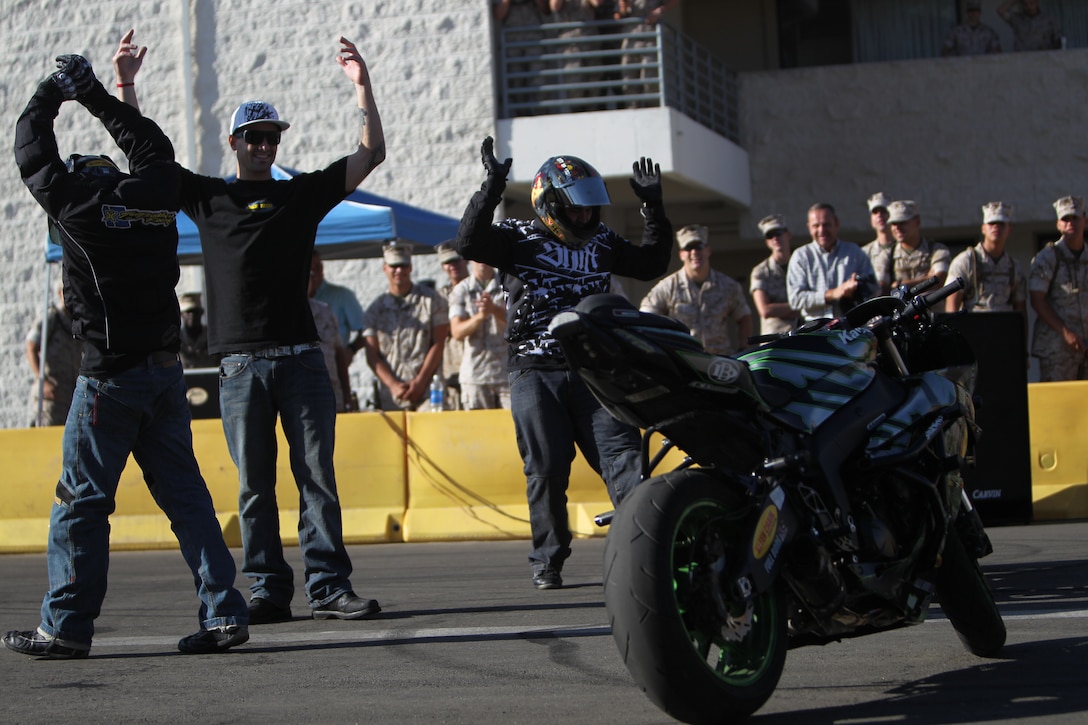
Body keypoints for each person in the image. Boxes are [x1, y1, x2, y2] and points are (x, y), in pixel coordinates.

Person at [119, 32, 386, 622]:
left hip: (301, 358)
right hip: (239, 365)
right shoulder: (209, 197)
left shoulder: (300, 195)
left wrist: (363, 87)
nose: (265, 146)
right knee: (255, 486)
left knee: (317, 477)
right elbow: (148, 160)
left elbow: (370, 154)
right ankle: (267, 589)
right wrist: (127, 86)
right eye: (255, 137)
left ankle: (328, 587)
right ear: (235, 142)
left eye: (272, 138)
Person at [5, 53, 249, 658]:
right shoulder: (156, 192)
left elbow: (31, 147)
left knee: (81, 504)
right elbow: (149, 144)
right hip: (164, 374)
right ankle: (224, 612)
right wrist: (93, 93)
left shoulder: (76, 206)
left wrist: (51, 91)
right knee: (187, 497)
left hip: (107, 380)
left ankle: (65, 627)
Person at [453, 137, 674, 589]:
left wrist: (653, 208)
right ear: (550, 204)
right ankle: (547, 560)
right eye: (576, 208)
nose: (585, 217)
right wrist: (492, 187)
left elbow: (651, 263)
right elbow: (468, 242)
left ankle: (648, 548)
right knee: (548, 466)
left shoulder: (603, 240)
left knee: (624, 456)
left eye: (591, 208)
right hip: (535, 370)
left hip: (596, 370)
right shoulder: (518, 237)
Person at [363, 242, 450, 411]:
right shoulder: (375, 310)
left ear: (410, 268)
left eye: (403, 265)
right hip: (392, 396)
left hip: (428, 391)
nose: (399, 270)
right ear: (385, 268)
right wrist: (392, 384)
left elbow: (438, 343)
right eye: (394, 266)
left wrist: (420, 382)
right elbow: (372, 355)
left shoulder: (432, 301)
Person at [640, 224, 753, 354]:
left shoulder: (728, 286)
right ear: (681, 254)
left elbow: (744, 317)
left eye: (699, 247)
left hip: (719, 359)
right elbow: (646, 317)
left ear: (708, 250)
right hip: (686, 358)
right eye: (689, 248)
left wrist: (743, 348)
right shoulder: (667, 287)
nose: (694, 252)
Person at [1029, 196, 1088, 382]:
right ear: (1058, 225)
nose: (1070, 223)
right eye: (1065, 219)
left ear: (1085, 221)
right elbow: (1037, 299)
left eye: (1075, 218)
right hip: (1057, 350)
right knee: (1059, 398)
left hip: (1086, 348)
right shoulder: (1047, 258)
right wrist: (1065, 332)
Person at [787, 203, 878, 322]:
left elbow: (873, 289)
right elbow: (795, 299)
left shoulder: (854, 252)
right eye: (816, 226)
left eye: (826, 225)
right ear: (809, 227)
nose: (821, 230)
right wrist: (833, 294)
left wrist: (857, 288)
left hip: (849, 324)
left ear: (836, 223)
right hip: (815, 326)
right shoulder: (801, 256)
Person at [946, 201, 1027, 314]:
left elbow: (1020, 310)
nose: (996, 227)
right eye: (991, 223)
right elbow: (951, 305)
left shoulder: (1014, 267)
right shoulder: (966, 261)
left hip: (1004, 323)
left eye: (1001, 223)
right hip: (974, 323)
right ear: (983, 228)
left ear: (1010, 229)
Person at [449, 261, 510, 410]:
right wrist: (480, 316)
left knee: (512, 423)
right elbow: (457, 332)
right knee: (478, 424)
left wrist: (494, 309)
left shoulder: (507, 284)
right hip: (475, 376)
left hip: (506, 373)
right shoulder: (461, 290)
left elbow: (518, 322)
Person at [26, 285, 83, 426]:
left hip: (71, 396)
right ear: (59, 293)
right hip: (52, 395)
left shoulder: (77, 323)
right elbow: (31, 347)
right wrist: (43, 381)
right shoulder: (52, 317)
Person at [615, 0, 680, 106]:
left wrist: (661, 10)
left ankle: (652, 108)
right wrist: (623, 9)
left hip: (650, 39)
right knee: (628, 82)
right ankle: (632, 109)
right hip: (630, 41)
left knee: (650, 82)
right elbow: (617, 16)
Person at [308, 268, 353, 413]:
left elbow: (339, 353)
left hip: (330, 395)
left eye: (310, 277)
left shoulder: (324, 311)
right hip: (298, 400)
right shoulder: (281, 313)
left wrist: (347, 394)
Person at [310, 250, 366, 364]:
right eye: (309, 268)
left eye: (317, 267)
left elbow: (366, 330)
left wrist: (351, 349)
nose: (313, 272)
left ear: (322, 268)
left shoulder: (342, 295)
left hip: (333, 365)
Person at [748, 214, 799, 337]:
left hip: (801, 336)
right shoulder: (760, 271)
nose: (775, 238)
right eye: (770, 235)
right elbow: (765, 310)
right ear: (767, 242)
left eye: (778, 233)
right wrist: (800, 306)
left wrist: (780, 309)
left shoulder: (801, 265)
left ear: (788, 234)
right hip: (775, 339)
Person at [887, 200, 951, 290]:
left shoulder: (938, 250)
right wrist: (927, 280)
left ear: (917, 221)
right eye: (894, 224)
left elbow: (938, 281)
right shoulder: (887, 254)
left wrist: (900, 285)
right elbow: (882, 288)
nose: (897, 228)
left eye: (902, 222)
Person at [436, 240, 469, 409]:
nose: (453, 266)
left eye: (456, 260)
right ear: (443, 266)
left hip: (482, 368)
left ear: (466, 260)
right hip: (452, 368)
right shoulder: (439, 298)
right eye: (448, 262)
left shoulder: (479, 289)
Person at [862, 192, 896, 295]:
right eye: (875, 212)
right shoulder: (864, 253)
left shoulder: (903, 247)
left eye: (884, 211)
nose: (879, 215)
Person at [997, 0, 1062, 51]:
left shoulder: (1048, 20)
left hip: (1043, 58)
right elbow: (1001, 11)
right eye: (1025, 4)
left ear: (1037, 2)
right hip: (1021, 59)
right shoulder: (1017, 19)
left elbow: (1059, 41)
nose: (1029, 7)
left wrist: (1049, 48)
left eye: (1031, 3)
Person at [178, 292, 220, 368]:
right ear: (181, 314)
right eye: (187, 312)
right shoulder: (177, 340)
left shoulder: (212, 337)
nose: (191, 315)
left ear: (201, 313)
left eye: (195, 311)